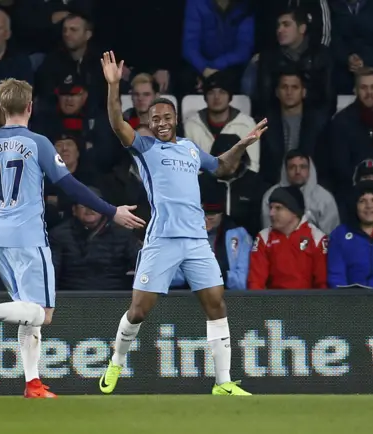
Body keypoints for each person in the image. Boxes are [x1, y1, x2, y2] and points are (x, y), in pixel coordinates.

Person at [0, 78, 144, 399]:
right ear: (30, 107)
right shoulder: (38, 143)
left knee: (25, 310)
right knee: (43, 313)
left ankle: (33, 383)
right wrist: (110, 211)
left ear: (3, 108)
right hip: (28, 234)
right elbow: (70, 186)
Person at [98, 51, 267, 396]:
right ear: (148, 121)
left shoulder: (190, 149)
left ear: (175, 119)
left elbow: (219, 167)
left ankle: (222, 383)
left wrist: (242, 144)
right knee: (139, 311)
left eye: (165, 117)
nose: (159, 122)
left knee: (216, 304)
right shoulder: (144, 147)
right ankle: (116, 361)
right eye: (153, 117)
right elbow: (117, 124)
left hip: (195, 240)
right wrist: (114, 86)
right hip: (161, 240)